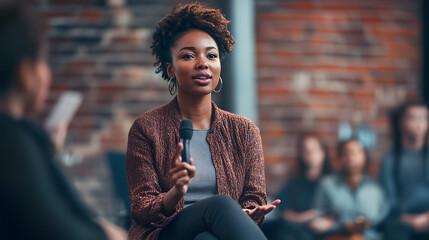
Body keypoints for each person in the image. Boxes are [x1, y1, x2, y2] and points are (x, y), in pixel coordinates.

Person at [126, 3, 280, 240]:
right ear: (170, 69)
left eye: (211, 55)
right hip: (164, 233)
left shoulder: (244, 130)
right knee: (220, 206)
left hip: (216, 233)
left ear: (218, 66)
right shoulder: (146, 128)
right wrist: (176, 192)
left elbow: (255, 198)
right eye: (188, 55)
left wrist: (248, 213)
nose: (202, 63)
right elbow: (141, 206)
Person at [0, 1, 127, 239]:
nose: (47, 73)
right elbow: (59, 230)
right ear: (26, 74)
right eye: (43, 61)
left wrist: (45, 151)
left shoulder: (17, 140)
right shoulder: (11, 141)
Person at [311, 139, 389, 240]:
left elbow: (382, 222)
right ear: (340, 157)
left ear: (365, 157)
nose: (351, 157)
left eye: (356, 152)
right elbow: (316, 218)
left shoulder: (375, 189)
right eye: (347, 153)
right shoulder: (327, 185)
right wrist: (341, 226)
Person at [262, 135, 331, 240]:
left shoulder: (331, 183)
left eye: (314, 150)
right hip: (292, 228)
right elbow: (283, 213)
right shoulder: (294, 182)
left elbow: (336, 213)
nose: (310, 154)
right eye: (306, 150)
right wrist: (308, 216)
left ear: (323, 152)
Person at [379, 102, 429, 240]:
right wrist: (408, 219)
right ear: (401, 123)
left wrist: (426, 217)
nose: (419, 123)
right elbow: (388, 198)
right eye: (413, 118)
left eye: (423, 118)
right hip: (401, 219)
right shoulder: (389, 159)